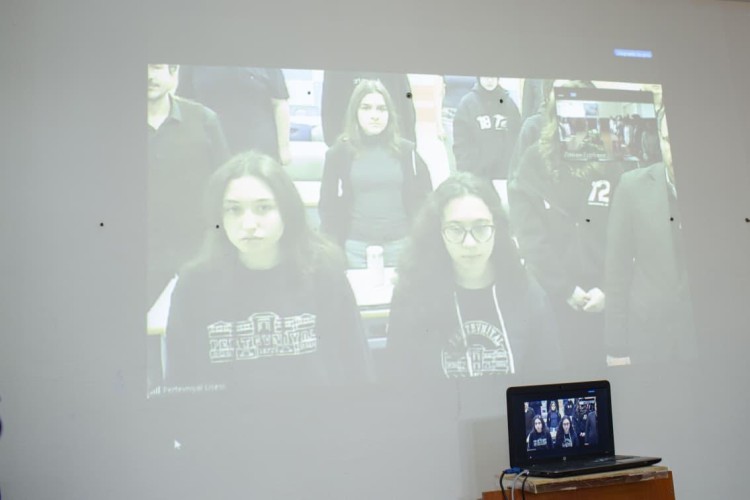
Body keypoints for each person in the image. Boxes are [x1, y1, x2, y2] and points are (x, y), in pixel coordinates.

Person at [164, 152, 369, 390]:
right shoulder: (194, 284)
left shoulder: (324, 273)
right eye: (234, 210)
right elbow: (180, 384)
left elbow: (357, 368)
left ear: (287, 211)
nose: (249, 224)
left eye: (263, 208)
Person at [387, 172, 560, 379]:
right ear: (437, 232)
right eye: (455, 229)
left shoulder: (527, 292)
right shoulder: (412, 294)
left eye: (481, 227)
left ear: (497, 229)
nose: (469, 243)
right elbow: (398, 381)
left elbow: (549, 378)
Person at [508, 81, 625, 367]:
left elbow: (623, 234)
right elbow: (530, 237)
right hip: (552, 296)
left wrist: (608, 289)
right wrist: (564, 289)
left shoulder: (610, 160)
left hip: (603, 296)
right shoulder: (533, 162)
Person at [604, 113, 697, 365]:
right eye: (667, 140)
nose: (673, 151)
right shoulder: (632, 187)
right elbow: (617, 269)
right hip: (650, 338)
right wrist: (616, 346)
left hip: (707, 338)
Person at [319, 79, 433, 268]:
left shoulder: (407, 151)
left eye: (381, 109)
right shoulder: (339, 153)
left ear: (390, 114)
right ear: (355, 112)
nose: (375, 115)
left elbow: (427, 201)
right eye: (366, 108)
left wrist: (420, 240)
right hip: (356, 249)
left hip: (402, 246)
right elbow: (327, 207)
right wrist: (332, 249)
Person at [147, 63, 230, 305]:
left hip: (196, 249)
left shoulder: (204, 119)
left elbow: (225, 182)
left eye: (156, 67)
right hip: (138, 251)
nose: (149, 76)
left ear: (174, 73)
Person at [177, 66, 291, 163]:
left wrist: (284, 148)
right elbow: (184, 103)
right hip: (209, 149)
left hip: (259, 151)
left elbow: (279, 104)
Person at [321, 71, 416, 147]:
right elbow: (329, 109)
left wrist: (408, 147)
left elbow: (406, 107)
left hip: (394, 145)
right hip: (348, 146)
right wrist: (337, 148)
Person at [452, 77, 521, 180]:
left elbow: (516, 138)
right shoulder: (467, 104)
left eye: (493, 76)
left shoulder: (508, 103)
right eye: (486, 76)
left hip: (504, 174)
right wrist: (466, 171)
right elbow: (461, 142)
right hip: (475, 175)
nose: (489, 80)